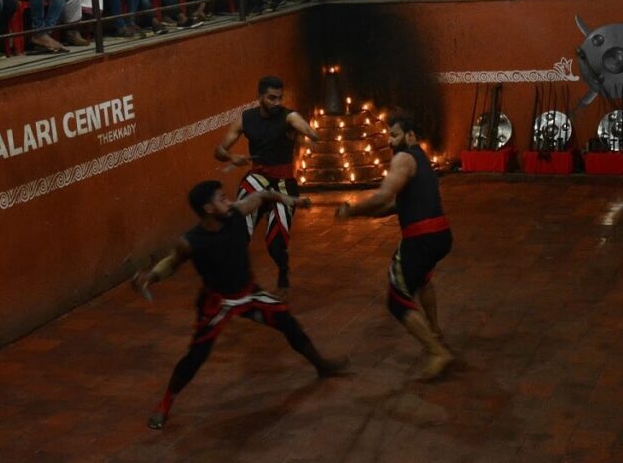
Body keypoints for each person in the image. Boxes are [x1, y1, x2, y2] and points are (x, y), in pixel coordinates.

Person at [132, 179, 347, 430]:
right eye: (221, 198)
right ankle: (165, 404)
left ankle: (322, 366)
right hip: (217, 302)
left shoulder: (235, 214)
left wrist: (289, 200)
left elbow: (264, 194)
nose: (229, 201)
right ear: (208, 209)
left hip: (249, 293)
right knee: (196, 356)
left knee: (288, 323)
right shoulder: (191, 241)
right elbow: (171, 262)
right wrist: (150, 277)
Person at [335, 111, 454, 381]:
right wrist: (360, 214)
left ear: (410, 135)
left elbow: (383, 196)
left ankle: (437, 351)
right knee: (422, 279)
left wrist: (352, 210)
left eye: (395, 134)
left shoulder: (403, 158)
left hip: (420, 240)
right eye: (388, 135)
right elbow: (393, 205)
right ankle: (435, 331)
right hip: (441, 237)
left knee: (397, 299)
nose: (390, 141)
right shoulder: (421, 158)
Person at [214, 76, 319, 293]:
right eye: (271, 98)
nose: (277, 103)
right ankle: (237, 280)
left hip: (283, 183)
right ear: (260, 97)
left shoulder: (288, 117)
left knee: (275, 244)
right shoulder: (246, 119)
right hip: (257, 179)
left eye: (280, 98)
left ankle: (283, 267)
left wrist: (310, 132)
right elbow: (219, 151)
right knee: (239, 229)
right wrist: (231, 157)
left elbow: (301, 124)